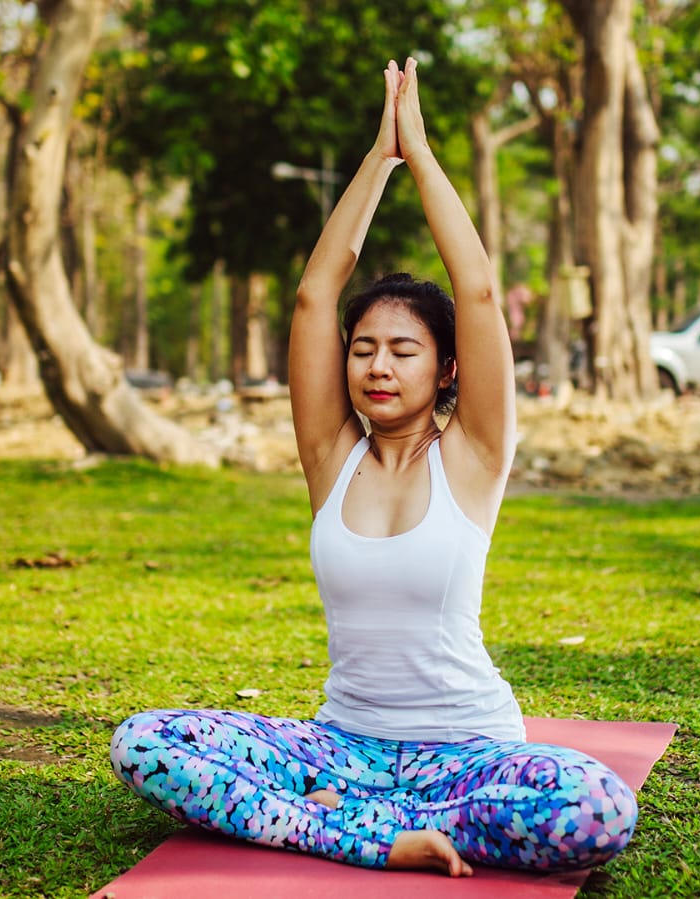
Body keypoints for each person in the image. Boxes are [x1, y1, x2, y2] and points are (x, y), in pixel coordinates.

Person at [109, 58, 638, 877]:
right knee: (143, 742)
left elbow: (478, 291)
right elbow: (313, 296)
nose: (377, 365)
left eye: (402, 350)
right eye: (362, 349)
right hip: (341, 748)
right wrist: (376, 159)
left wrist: (418, 154)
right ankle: (371, 835)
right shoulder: (331, 455)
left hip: (467, 752)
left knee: (598, 807)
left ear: (446, 368)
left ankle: (357, 820)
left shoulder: (473, 456)